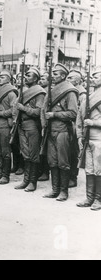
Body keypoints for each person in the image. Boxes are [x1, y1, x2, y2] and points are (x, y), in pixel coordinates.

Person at [42, 63, 78, 201]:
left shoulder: (70, 91)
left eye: (56, 74)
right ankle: (55, 189)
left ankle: (64, 192)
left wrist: (55, 115)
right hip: (51, 130)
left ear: (63, 76)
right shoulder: (53, 89)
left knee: (63, 162)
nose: (53, 76)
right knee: (52, 161)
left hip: (63, 130)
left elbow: (73, 113)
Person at [13, 67, 46, 192]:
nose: (25, 77)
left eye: (29, 75)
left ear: (36, 78)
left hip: (32, 126)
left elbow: (39, 112)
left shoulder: (39, 92)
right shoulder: (24, 91)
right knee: (26, 154)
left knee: (33, 155)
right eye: (25, 75)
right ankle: (26, 180)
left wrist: (23, 108)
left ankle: (32, 182)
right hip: (22, 125)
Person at [76, 67, 101, 210]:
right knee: (89, 170)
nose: (93, 79)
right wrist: (79, 135)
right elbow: (80, 116)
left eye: (96, 76)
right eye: (92, 77)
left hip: (99, 140)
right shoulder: (88, 96)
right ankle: (89, 198)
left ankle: (98, 199)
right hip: (87, 139)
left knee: (99, 170)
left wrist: (94, 123)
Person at [0, 69, 18, 185]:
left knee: (6, 151)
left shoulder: (11, 92)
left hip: (5, 125)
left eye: (3, 77)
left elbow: (14, 110)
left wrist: (0, 114)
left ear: (9, 79)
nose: (0, 78)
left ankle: (5, 176)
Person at [67, 69, 86, 188]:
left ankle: (73, 177)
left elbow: (82, 114)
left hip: (76, 126)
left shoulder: (82, 94)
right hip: (69, 124)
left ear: (78, 81)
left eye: (70, 78)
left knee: (73, 152)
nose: (67, 80)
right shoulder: (69, 91)